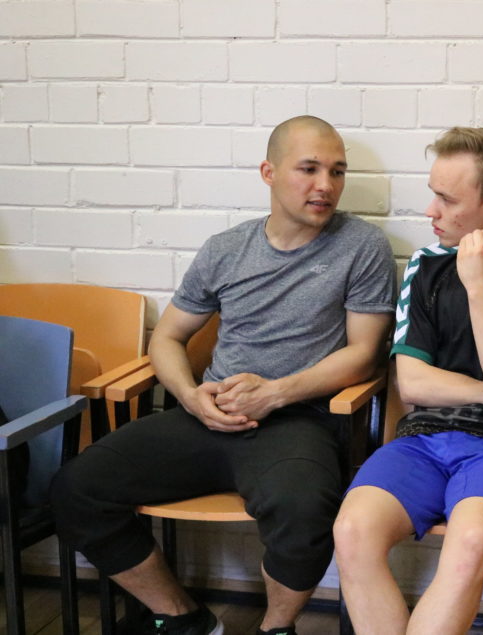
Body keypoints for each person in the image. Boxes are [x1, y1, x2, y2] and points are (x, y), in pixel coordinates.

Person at [51, 115, 397, 635]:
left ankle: (275, 627)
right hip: (206, 415)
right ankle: (182, 617)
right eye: (309, 169)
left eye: (337, 171)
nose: (326, 185)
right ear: (269, 173)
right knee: (76, 489)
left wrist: (275, 393)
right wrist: (190, 396)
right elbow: (167, 338)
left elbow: (364, 355)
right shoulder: (226, 248)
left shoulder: (361, 246)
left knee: (305, 512)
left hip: (296, 421)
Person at [333, 126, 483, 635]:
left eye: (447, 199)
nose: (432, 211)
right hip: (424, 439)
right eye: (434, 195)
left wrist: (477, 285)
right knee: (352, 530)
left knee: (468, 543)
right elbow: (413, 384)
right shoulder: (426, 266)